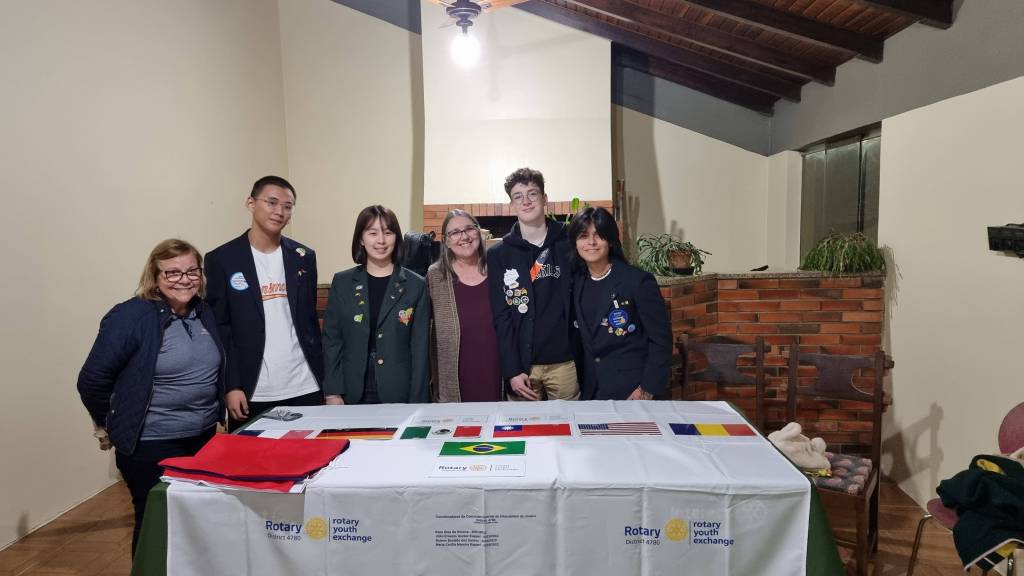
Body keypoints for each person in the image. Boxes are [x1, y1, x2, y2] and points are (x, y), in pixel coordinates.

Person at [78, 239, 224, 555]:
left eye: (192, 271)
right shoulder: (131, 316)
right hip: (151, 444)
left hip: (202, 438)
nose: (184, 279)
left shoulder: (203, 312)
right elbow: (92, 380)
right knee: (156, 525)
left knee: (195, 523)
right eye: (172, 272)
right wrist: (112, 422)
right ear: (154, 276)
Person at [204, 176, 324, 430]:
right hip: (253, 389)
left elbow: (309, 322)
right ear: (251, 203)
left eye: (287, 206)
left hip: (306, 384)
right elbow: (221, 329)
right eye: (272, 202)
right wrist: (231, 385)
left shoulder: (304, 256)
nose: (279, 211)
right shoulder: (222, 259)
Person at [322, 205, 430, 404]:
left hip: (399, 390)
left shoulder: (416, 285)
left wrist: (418, 401)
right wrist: (332, 392)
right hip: (351, 388)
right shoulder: (342, 283)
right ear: (361, 239)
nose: (381, 240)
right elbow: (332, 341)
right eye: (373, 233)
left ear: (396, 237)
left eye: (388, 233)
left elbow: (420, 350)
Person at [487, 168, 579, 401]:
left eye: (532, 194)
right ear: (512, 204)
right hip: (523, 367)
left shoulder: (569, 242)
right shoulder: (499, 254)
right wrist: (512, 370)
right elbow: (501, 317)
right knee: (523, 424)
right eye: (518, 196)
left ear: (545, 199)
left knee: (569, 422)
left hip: (566, 363)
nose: (526, 201)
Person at [568, 207, 672, 400]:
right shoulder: (576, 282)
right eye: (583, 236)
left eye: (599, 235)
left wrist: (647, 388)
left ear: (610, 240)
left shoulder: (638, 281)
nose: (591, 242)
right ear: (575, 242)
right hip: (591, 390)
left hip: (632, 390)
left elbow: (661, 340)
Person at [427, 210, 502, 402]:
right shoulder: (435, 276)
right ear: (446, 241)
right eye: (455, 232)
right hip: (455, 377)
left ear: (479, 232)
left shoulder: (498, 268)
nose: (464, 236)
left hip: (497, 372)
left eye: (469, 229)